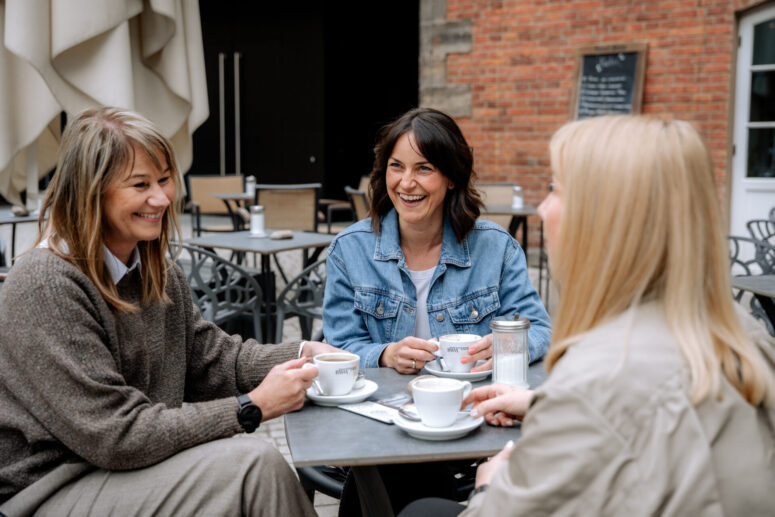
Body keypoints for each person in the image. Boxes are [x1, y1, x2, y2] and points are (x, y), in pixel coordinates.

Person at [399, 115, 775, 516]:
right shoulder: (744, 331)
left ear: (605, 220)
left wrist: (488, 487)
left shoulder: (598, 376)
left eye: (555, 190)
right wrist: (545, 402)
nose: (542, 208)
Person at [0, 107, 339, 516]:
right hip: (49, 488)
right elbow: (117, 435)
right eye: (140, 184)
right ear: (90, 191)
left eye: (164, 179)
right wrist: (251, 406)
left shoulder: (156, 271)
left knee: (248, 466)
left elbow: (211, 361)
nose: (161, 198)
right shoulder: (46, 283)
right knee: (253, 468)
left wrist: (305, 354)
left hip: (129, 468)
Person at [324, 107, 551, 373]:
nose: (406, 183)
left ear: (452, 177)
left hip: (471, 402)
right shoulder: (349, 250)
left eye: (424, 169)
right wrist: (386, 354)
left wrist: (508, 345)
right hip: (382, 409)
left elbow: (538, 330)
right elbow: (338, 348)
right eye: (396, 166)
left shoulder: (497, 248)